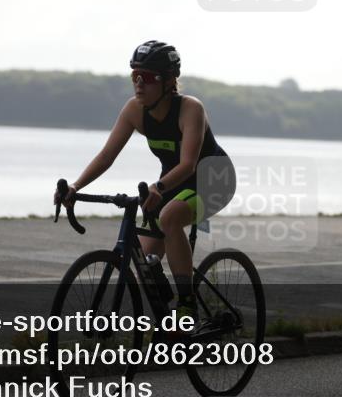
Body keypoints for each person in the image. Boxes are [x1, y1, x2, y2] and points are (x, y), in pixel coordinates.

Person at [57, 40, 235, 321]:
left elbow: (188, 163)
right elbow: (106, 156)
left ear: (169, 81)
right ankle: (167, 322)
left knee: (170, 217)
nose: (139, 84)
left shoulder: (190, 109)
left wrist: (159, 187)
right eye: (135, 77)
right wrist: (76, 186)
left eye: (148, 78)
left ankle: (187, 304)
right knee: (145, 262)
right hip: (171, 184)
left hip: (214, 180)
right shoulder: (134, 110)